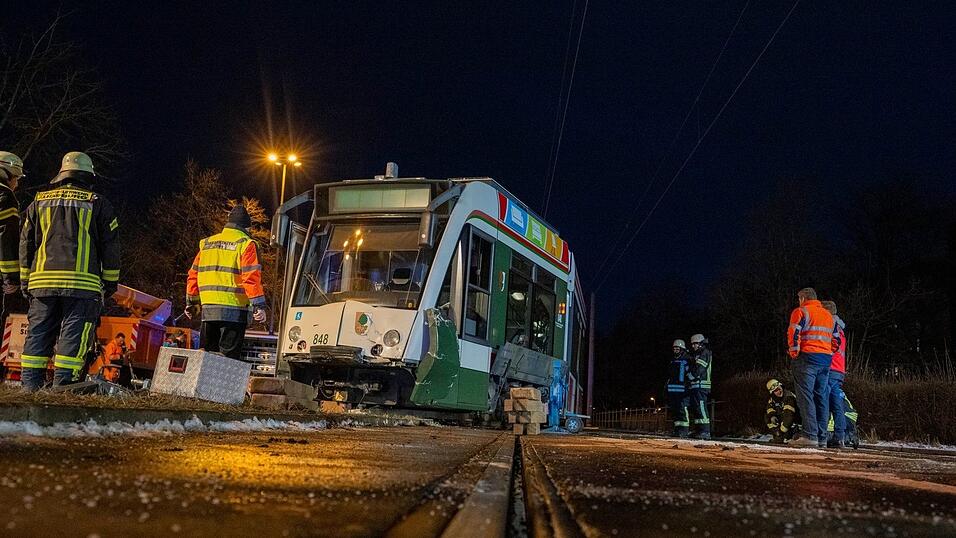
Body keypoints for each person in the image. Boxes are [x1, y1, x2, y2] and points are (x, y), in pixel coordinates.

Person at [19, 152, 120, 391]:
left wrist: (25, 280)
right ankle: (64, 389)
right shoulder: (98, 203)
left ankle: (29, 388)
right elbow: (111, 246)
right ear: (87, 176)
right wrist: (110, 283)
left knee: (38, 334)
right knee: (73, 337)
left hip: (42, 283)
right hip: (82, 286)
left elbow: (25, 243)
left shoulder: (38, 202)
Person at [185, 205, 266, 360]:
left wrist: (192, 303)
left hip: (209, 312)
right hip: (234, 312)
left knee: (206, 359)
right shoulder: (246, 244)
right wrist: (259, 306)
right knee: (227, 362)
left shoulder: (207, 243)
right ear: (246, 227)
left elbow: (193, 275)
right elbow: (250, 278)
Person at [786, 287, 840, 447]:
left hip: (807, 358)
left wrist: (794, 352)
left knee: (805, 396)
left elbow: (793, 333)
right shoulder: (828, 316)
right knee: (821, 397)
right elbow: (836, 339)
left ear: (803, 298)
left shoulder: (801, 311)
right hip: (825, 360)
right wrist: (828, 352)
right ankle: (822, 437)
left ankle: (810, 435)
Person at [821, 300, 849, 448]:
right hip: (839, 370)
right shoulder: (840, 328)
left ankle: (822, 435)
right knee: (837, 404)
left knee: (824, 401)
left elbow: (830, 346)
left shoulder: (830, 325)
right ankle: (840, 436)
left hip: (830, 368)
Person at [0, 152, 24, 303]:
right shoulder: (5, 197)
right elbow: (6, 237)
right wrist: (11, 277)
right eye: (16, 178)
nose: (17, 184)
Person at [687, 333, 712, 439]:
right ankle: (699, 430)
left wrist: (690, 376)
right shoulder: (697, 354)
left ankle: (705, 431)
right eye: (692, 344)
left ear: (701, 343)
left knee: (701, 407)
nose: (693, 346)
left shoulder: (705, 353)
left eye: (695, 344)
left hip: (702, 385)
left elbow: (700, 369)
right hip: (696, 386)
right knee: (696, 408)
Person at [666, 339, 691, 438]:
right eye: (674, 349)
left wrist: (688, 384)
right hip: (673, 389)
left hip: (683, 389)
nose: (675, 350)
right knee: (675, 410)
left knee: (682, 409)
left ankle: (684, 430)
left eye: (677, 349)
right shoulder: (672, 360)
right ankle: (677, 430)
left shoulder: (687, 360)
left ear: (682, 349)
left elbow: (689, 374)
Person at [765, 378, 801, 443]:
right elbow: (769, 408)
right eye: (776, 390)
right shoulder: (772, 399)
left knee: (789, 428)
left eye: (779, 388)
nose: (779, 391)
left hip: (795, 421)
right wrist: (772, 416)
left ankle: (785, 436)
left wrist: (781, 432)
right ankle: (778, 434)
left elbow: (789, 416)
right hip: (785, 420)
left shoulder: (788, 397)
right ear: (772, 393)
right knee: (767, 417)